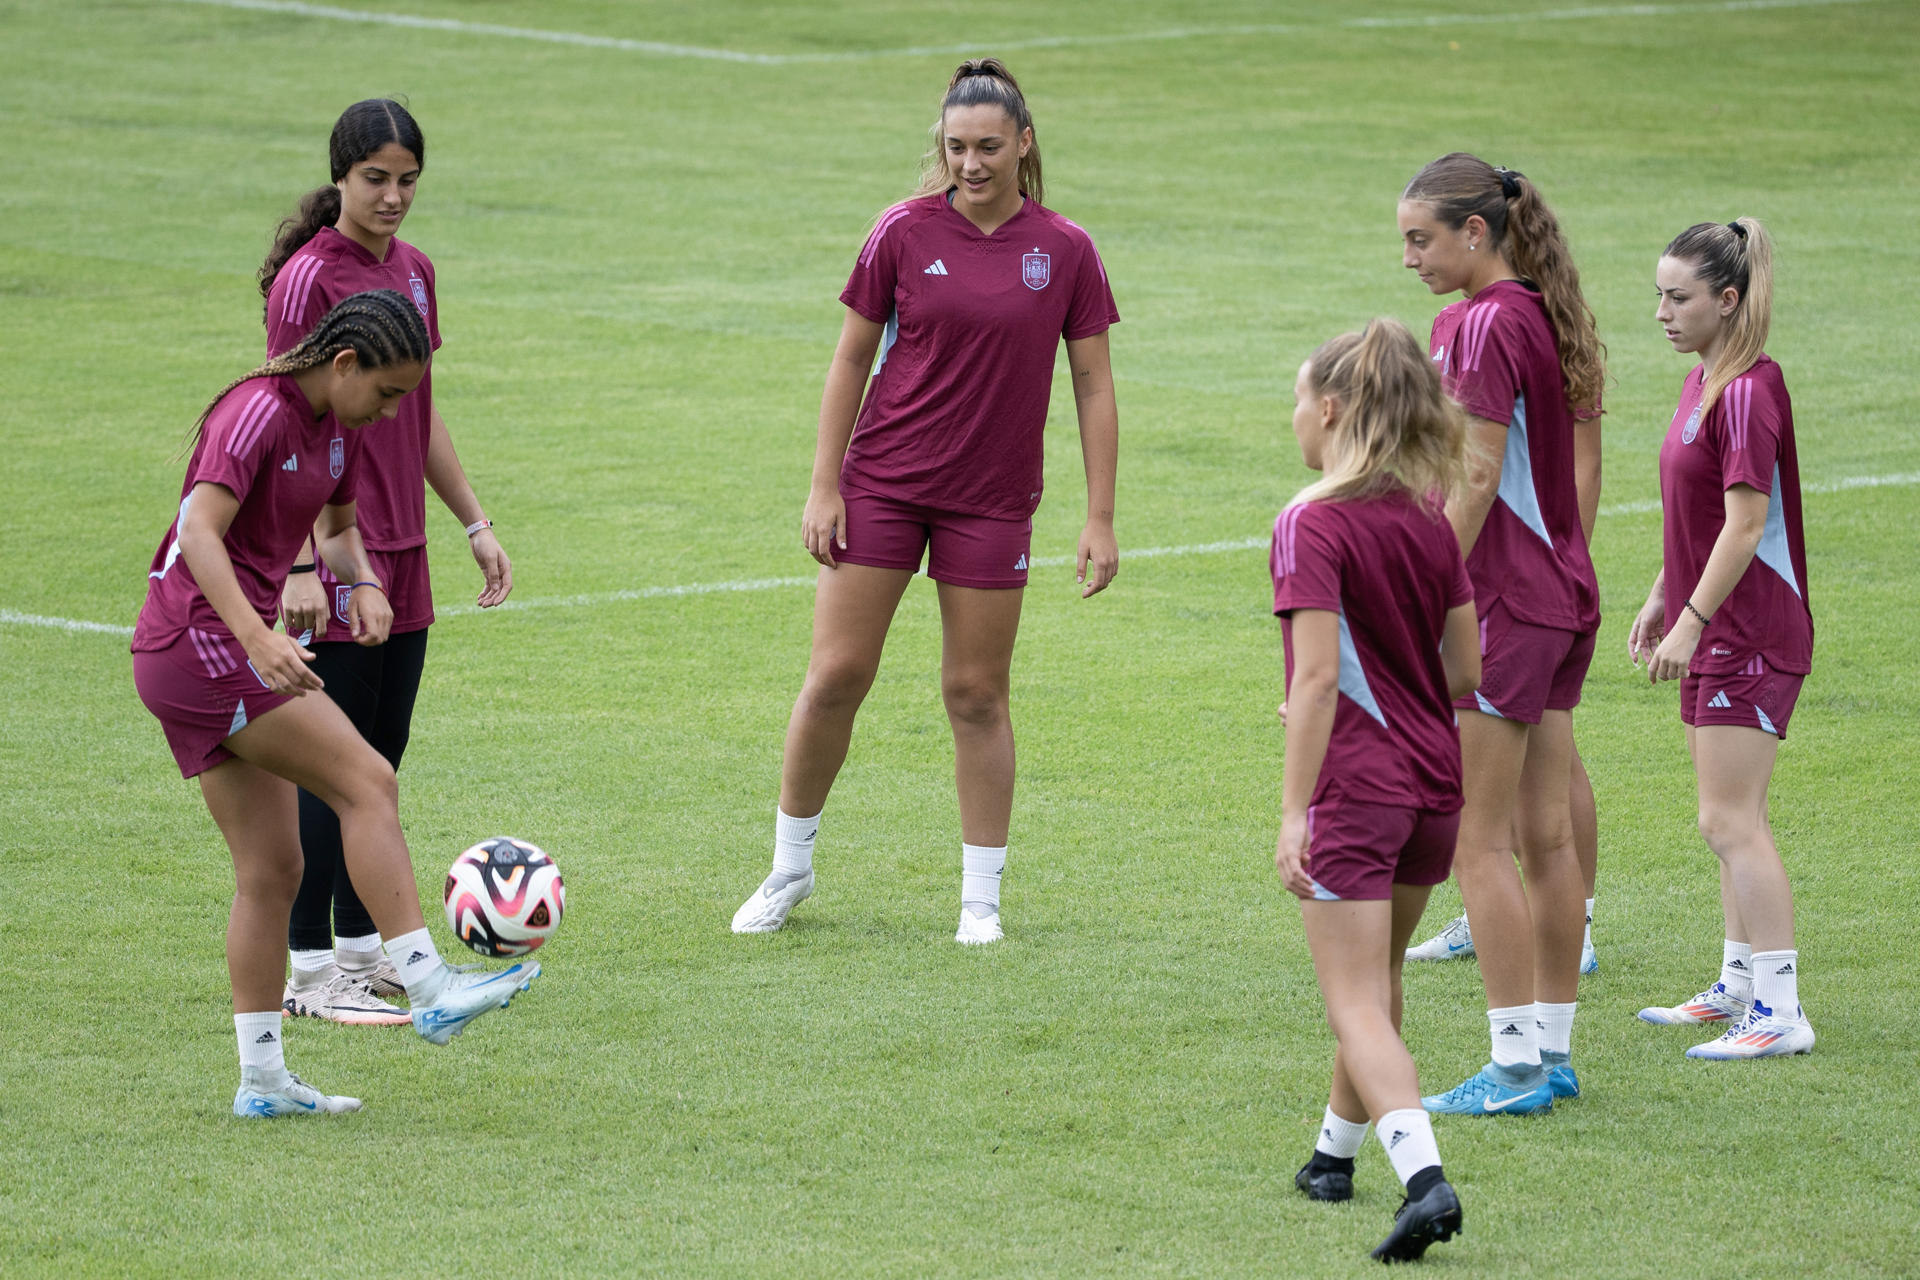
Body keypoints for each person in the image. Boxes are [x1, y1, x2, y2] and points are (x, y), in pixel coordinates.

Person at [730, 57, 1119, 943]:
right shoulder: (900, 232)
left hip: (992, 502)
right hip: (885, 485)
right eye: (955, 148)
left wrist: (1099, 516)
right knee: (836, 676)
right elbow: (849, 359)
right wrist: (824, 484)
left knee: (977, 693)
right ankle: (789, 870)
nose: (971, 164)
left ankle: (979, 900)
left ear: (1024, 144)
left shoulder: (1065, 250)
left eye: (988, 147)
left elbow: (1094, 385)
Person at [131, 290, 537, 1118]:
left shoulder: (336, 431)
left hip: (194, 652)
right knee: (366, 779)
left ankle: (263, 1082)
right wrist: (256, 635)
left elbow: (339, 530)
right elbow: (198, 529)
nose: (393, 414)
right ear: (344, 363)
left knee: (274, 870)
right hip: (199, 645)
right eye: (387, 394)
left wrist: (362, 581)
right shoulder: (256, 411)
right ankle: (428, 982)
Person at [260, 99, 512, 1025]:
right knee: (334, 768)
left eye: (408, 180)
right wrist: (292, 563)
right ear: (340, 178)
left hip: (400, 552)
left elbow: (422, 411)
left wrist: (472, 520)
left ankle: (369, 953)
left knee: (382, 757)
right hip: (331, 552)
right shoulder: (307, 280)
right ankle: (310, 968)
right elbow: (280, 422)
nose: (394, 196)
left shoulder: (416, 273)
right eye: (376, 179)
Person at [1396, 154, 1605, 1114]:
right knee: (1547, 838)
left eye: (1421, 239)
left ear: (1474, 233)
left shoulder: (1483, 324)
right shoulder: (1526, 314)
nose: (1410, 259)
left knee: (1477, 843)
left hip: (1504, 606)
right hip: (1558, 597)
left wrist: (1421, 595)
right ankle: (1551, 1054)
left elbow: (1474, 480)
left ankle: (1516, 1064)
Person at [1272, 319, 1478, 1262]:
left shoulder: (1311, 519)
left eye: (1299, 400)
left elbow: (1314, 682)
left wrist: (1293, 811)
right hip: (1436, 786)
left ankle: (1426, 1181)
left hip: (1357, 792)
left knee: (1352, 998)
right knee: (1378, 980)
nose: (1295, 418)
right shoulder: (1429, 518)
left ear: (1332, 408)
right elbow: (1466, 668)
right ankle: (1332, 1157)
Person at [1629, 218, 1814, 1058]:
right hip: (1717, 623)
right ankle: (1738, 983)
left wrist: (1693, 620)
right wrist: (1666, 593)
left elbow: (1745, 525)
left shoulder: (1744, 392)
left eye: (1680, 297)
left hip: (1751, 631)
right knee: (1735, 817)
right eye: (1659, 296)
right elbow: (1700, 511)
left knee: (1728, 820)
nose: (1662, 313)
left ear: (1727, 300)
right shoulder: (1707, 378)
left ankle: (1779, 1012)